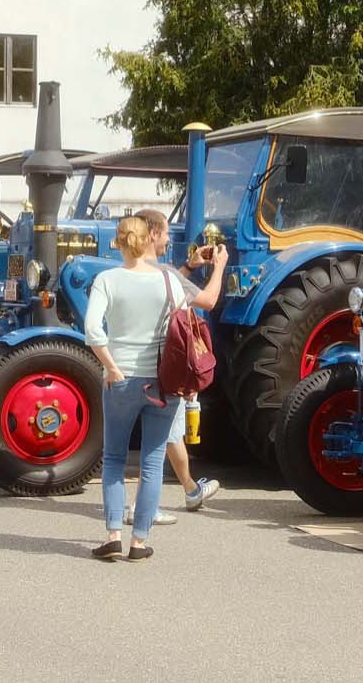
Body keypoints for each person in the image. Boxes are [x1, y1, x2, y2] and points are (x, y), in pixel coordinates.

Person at [85, 214, 227, 561]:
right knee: (151, 463)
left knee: (115, 459)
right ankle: (140, 543)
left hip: (120, 381)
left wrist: (111, 366)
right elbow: (185, 329)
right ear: (147, 239)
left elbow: (92, 330)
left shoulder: (107, 279)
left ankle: (113, 535)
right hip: (163, 382)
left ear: (119, 243)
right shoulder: (169, 281)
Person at [136, 209, 220, 524]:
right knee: (160, 438)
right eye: (167, 232)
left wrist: (189, 266)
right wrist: (220, 267)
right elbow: (209, 301)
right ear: (153, 233)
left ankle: (189, 489)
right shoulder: (166, 274)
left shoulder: (132, 270)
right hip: (164, 366)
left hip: (134, 367)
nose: (170, 237)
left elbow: (170, 286)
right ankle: (146, 508)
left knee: (163, 435)